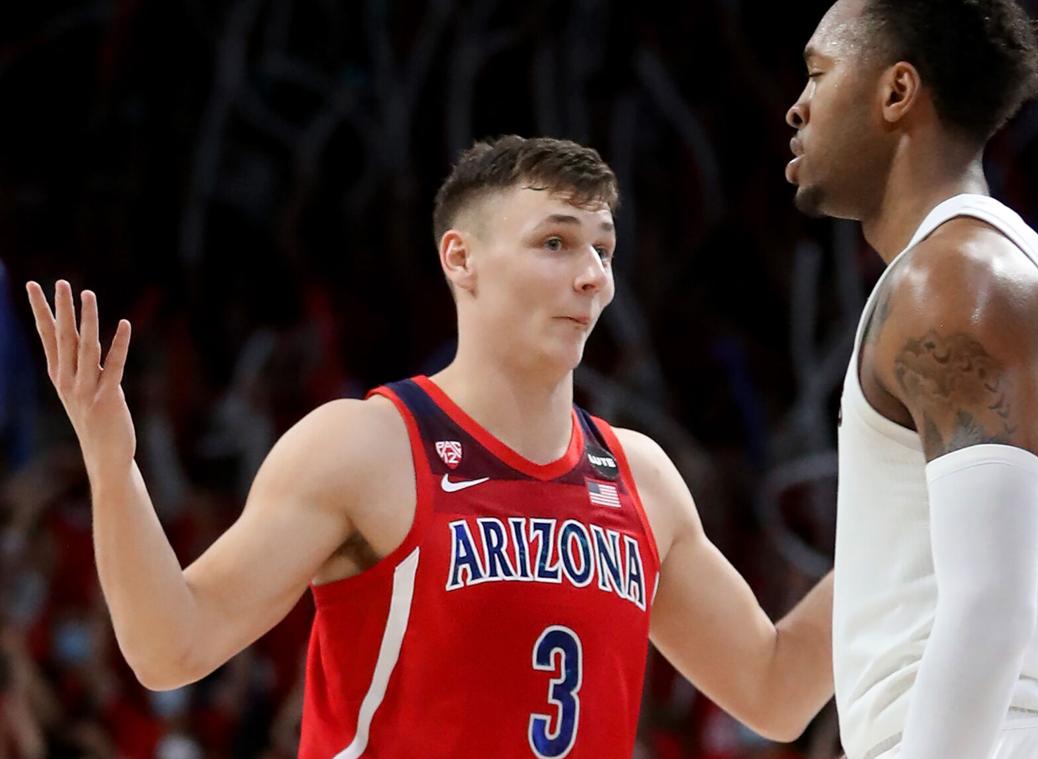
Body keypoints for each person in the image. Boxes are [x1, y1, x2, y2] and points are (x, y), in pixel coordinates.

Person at [26, 135, 833, 758]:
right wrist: (112, 463)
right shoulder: (368, 447)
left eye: (602, 249)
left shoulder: (641, 479)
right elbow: (172, 647)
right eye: (556, 242)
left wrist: (926, 509)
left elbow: (774, 687)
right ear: (462, 259)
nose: (591, 274)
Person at [784, 1, 1038, 757]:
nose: (796, 105)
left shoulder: (955, 279)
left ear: (897, 92)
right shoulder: (975, 265)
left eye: (818, 73)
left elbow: (989, 609)